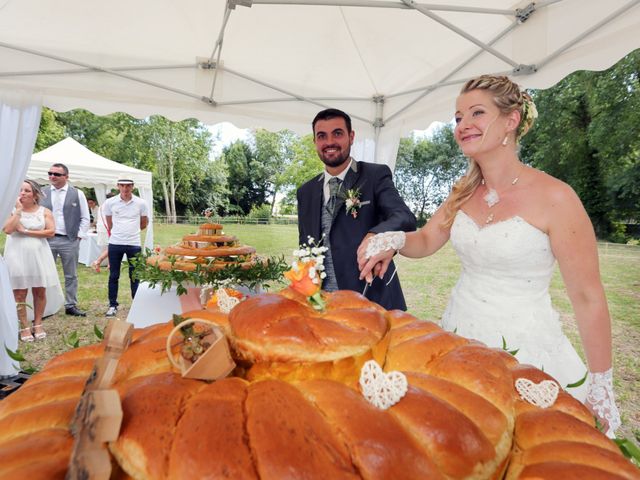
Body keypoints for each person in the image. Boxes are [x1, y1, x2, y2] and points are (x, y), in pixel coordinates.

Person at [358, 74, 621, 437]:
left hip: (527, 348)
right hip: (459, 334)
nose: (463, 125)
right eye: (458, 118)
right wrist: (394, 240)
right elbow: (426, 240)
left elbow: (588, 297)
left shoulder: (557, 198)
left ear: (511, 121)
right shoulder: (461, 193)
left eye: (476, 113)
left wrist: (601, 382)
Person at [296, 108, 416, 311]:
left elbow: (404, 217)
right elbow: (305, 249)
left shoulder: (375, 175)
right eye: (322, 136)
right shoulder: (305, 191)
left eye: (337, 133)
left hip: (371, 299)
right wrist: (312, 302)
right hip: (324, 305)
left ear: (351, 137)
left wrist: (374, 235)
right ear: (315, 142)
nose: (330, 142)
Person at [3, 181, 62, 341]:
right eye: (20, 190)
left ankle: (38, 323)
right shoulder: (11, 210)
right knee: (19, 292)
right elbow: (8, 230)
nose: (22, 193)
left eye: (27, 191)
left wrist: (26, 231)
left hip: (39, 255)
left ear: (35, 195)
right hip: (16, 254)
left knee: (39, 290)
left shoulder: (44, 211)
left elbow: (51, 232)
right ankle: (24, 327)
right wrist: (19, 211)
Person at [40, 163, 90, 317]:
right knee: (45, 274)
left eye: (56, 174)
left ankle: (70, 305)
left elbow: (85, 217)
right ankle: (46, 306)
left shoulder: (77, 193)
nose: (52, 176)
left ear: (66, 177)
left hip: (69, 239)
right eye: (50, 173)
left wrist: (79, 236)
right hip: (47, 239)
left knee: (71, 275)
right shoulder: (42, 192)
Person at [103, 177, 149, 317]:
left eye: (128, 186)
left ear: (132, 187)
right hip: (115, 242)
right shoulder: (110, 203)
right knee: (114, 275)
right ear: (118, 186)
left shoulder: (141, 203)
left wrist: (131, 232)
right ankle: (112, 305)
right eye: (122, 185)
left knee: (135, 275)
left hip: (134, 243)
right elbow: (109, 223)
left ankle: (136, 303)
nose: (125, 188)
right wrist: (120, 233)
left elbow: (143, 223)